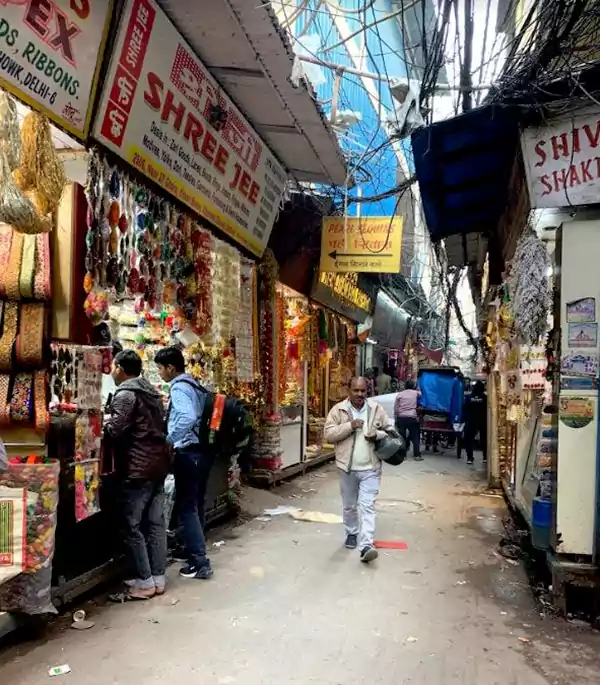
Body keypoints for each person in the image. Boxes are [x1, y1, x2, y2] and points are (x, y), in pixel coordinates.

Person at [104, 350, 170, 601]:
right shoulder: (152, 393)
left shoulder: (126, 394)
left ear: (120, 368)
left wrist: (102, 423)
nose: (111, 371)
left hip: (138, 467)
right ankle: (157, 578)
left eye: (113, 366)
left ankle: (144, 582)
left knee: (131, 525)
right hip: (158, 465)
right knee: (154, 524)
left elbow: (115, 429)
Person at [155, 347, 214, 580]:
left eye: (160, 368)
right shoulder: (195, 384)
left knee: (187, 508)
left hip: (188, 453)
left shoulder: (179, 387)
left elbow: (187, 416)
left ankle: (200, 562)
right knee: (196, 506)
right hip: (203, 453)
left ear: (171, 367)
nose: (159, 373)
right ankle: (194, 554)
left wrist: (170, 438)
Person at [324, 377, 393, 563]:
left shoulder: (376, 409)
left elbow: (390, 430)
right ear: (349, 390)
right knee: (349, 506)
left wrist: (376, 435)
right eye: (356, 390)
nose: (360, 394)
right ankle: (352, 533)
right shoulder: (338, 410)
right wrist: (349, 426)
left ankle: (366, 545)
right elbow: (329, 434)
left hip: (371, 467)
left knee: (368, 506)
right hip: (347, 468)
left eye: (363, 391)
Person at [394, 379, 422, 461]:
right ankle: (417, 455)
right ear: (413, 386)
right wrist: (417, 387)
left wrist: (396, 415)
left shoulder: (400, 394)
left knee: (402, 437)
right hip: (412, 417)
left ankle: (403, 455)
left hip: (401, 417)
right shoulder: (415, 393)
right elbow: (421, 394)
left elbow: (396, 407)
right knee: (415, 436)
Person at [463, 380, 487, 465]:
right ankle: (485, 457)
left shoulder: (469, 397)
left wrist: (465, 419)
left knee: (469, 439)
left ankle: (470, 458)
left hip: (471, 421)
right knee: (484, 439)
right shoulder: (485, 398)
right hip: (482, 421)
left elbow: (464, 408)